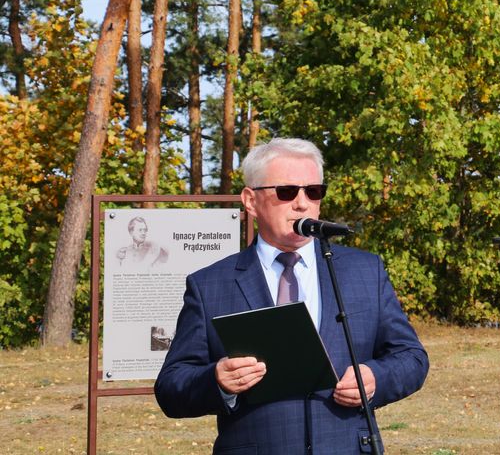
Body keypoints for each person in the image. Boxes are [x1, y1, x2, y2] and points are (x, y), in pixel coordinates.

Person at [155, 138, 428, 454]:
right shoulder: (210, 285)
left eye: (313, 191)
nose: (302, 203)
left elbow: (411, 357)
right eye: (286, 192)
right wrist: (217, 380)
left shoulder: (364, 270)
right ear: (250, 200)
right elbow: (171, 387)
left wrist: (376, 378)